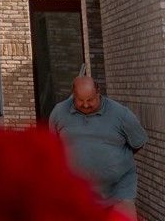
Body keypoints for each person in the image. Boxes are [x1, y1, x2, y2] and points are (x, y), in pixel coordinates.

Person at [49, 73, 146, 213]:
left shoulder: (121, 114)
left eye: (90, 99)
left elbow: (138, 144)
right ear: (73, 95)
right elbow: (53, 146)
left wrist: (111, 162)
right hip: (74, 194)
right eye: (80, 100)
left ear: (98, 93)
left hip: (118, 193)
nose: (86, 105)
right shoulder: (59, 112)